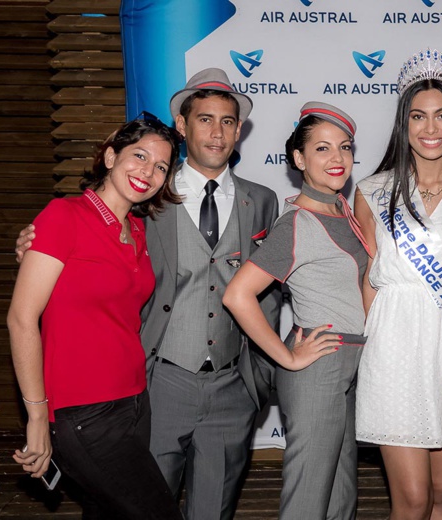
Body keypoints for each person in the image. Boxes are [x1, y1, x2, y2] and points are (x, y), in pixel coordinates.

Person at [16, 68, 281, 519]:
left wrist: (258, 379)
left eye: (228, 121)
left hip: (229, 388)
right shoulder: (149, 199)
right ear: (181, 125)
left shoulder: (263, 200)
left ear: (240, 130)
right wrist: (31, 242)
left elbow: (270, 292)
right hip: (157, 385)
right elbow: (67, 243)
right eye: (204, 119)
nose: (217, 132)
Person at [7, 115, 184, 519]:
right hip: (83, 410)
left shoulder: (137, 229)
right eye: (139, 156)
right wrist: (37, 416)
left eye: (160, 166)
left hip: (134, 400)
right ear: (109, 156)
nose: (149, 171)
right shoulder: (63, 216)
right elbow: (21, 319)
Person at [354, 49, 442, 519]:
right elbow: (368, 283)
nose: (430, 129)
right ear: (404, 123)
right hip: (394, 351)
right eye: (418, 116)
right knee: (413, 499)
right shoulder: (372, 191)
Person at [224, 102, 369, 519]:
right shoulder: (296, 223)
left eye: (344, 147)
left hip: (353, 363)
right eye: (322, 149)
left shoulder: (344, 210)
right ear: (299, 159)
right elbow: (237, 295)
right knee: (309, 495)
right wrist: (287, 356)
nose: (337, 158)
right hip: (319, 366)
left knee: (341, 494)